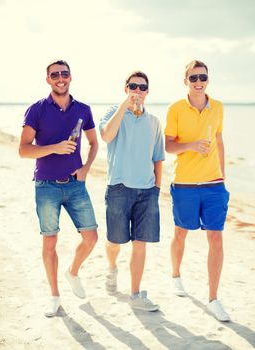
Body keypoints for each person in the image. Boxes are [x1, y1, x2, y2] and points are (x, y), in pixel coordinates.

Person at [19, 59, 98, 317]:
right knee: (50, 241)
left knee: (91, 238)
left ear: (71, 77)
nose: (60, 78)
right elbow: (23, 149)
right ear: (48, 79)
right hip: (46, 186)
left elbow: (94, 143)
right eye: (55, 75)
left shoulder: (83, 110)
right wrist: (54, 147)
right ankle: (54, 295)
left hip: (76, 185)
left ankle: (72, 271)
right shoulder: (36, 110)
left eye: (64, 73)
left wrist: (86, 167)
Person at [165, 60, 230, 322]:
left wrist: (223, 177)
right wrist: (191, 145)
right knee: (181, 233)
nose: (198, 81)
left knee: (216, 238)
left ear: (208, 79)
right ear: (186, 81)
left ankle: (213, 298)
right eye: (193, 78)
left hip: (214, 184)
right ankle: (175, 275)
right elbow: (169, 146)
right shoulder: (176, 109)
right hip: (185, 184)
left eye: (202, 77)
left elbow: (219, 140)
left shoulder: (219, 107)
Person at [99, 71, 165, 312]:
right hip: (119, 188)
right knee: (115, 241)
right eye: (132, 86)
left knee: (140, 244)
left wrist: (157, 188)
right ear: (125, 88)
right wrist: (125, 105)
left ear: (148, 91)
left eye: (142, 87)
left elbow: (158, 158)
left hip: (147, 192)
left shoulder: (155, 122)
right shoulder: (112, 113)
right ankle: (111, 267)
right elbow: (106, 136)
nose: (137, 90)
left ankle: (135, 294)